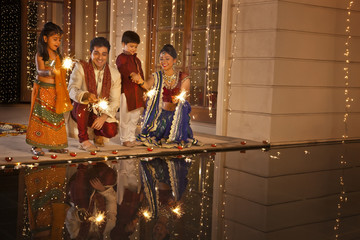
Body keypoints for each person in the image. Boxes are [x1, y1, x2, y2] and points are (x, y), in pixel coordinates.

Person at [136, 44, 200, 148]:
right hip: (161, 116)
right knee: (155, 135)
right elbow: (147, 86)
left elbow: (183, 96)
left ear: (174, 60)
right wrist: (139, 80)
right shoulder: (156, 76)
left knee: (178, 136)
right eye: (161, 59)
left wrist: (179, 99)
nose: (163, 62)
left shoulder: (183, 77)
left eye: (167, 58)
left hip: (176, 115)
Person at [26, 22, 72, 156]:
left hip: (56, 91)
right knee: (41, 118)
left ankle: (55, 144)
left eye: (59, 40)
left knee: (55, 118)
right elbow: (40, 71)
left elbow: (60, 71)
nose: (58, 42)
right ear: (45, 39)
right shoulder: (41, 54)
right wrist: (51, 72)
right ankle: (37, 145)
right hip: (43, 91)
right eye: (55, 39)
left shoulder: (58, 56)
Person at [68, 37, 121, 151]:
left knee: (111, 130)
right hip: (80, 110)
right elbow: (71, 89)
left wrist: (104, 117)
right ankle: (84, 140)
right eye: (96, 53)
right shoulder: (81, 67)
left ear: (107, 55)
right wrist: (85, 95)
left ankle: (98, 133)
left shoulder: (114, 74)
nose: (100, 58)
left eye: (104, 54)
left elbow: (115, 100)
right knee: (84, 101)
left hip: (100, 112)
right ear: (90, 53)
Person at [116, 31, 146, 147]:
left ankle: (132, 137)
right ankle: (124, 139)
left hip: (137, 92)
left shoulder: (137, 60)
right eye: (131, 46)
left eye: (135, 47)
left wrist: (144, 90)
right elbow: (123, 70)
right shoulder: (121, 58)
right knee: (126, 117)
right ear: (123, 44)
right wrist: (132, 74)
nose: (133, 49)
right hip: (126, 92)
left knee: (135, 117)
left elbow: (141, 75)